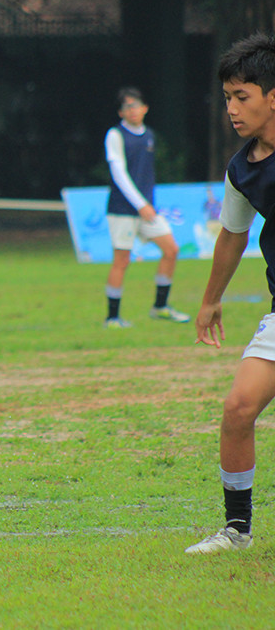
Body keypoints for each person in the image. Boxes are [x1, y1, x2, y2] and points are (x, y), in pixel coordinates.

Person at [187, 33, 275, 554]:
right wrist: (209, 299)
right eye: (227, 97)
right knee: (239, 407)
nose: (232, 109)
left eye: (242, 96)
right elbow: (233, 234)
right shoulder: (243, 168)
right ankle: (237, 530)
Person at [103, 87, 190, 328]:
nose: (133, 110)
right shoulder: (115, 135)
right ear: (121, 112)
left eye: (136, 105)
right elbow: (119, 173)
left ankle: (160, 307)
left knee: (171, 249)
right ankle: (112, 317)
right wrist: (140, 204)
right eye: (127, 106)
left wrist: (146, 205)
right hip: (123, 209)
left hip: (147, 209)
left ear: (145, 108)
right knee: (122, 260)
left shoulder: (149, 135)